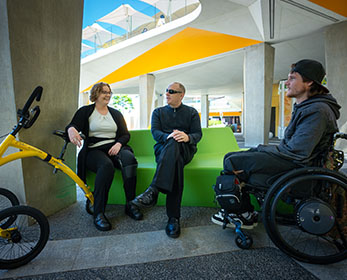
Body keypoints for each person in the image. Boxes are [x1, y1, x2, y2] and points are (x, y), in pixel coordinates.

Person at [212, 59, 341, 229]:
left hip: (298, 168)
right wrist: (259, 149)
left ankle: (242, 214)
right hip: (297, 164)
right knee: (235, 156)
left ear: (309, 83)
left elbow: (297, 151)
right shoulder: (309, 107)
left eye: (292, 78)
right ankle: (243, 211)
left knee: (232, 161)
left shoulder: (317, 110)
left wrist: (261, 149)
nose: (286, 83)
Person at [66, 82, 143, 231]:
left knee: (129, 161)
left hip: (114, 147)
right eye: (104, 92)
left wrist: (119, 144)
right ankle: (99, 212)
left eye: (109, 92)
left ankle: (130, 204)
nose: (108, 95)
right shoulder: (86, 111)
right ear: (95, 94)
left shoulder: (115, 113)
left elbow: (125, 134)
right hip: (93, 150)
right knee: (106, 166)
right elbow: (73, 125)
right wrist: (71, 130)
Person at [131, 82, 202, 238]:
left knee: (176, 142)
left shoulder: (191, 112)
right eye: (166, 91)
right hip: (163, 151)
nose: (167, 94)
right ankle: (173, 218)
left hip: (186, 151)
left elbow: (198, 134)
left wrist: (187, 137)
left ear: (181, 95)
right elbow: (155, 133)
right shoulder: (158, 112)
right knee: (174, 152)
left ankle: (154, 189)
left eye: (171, 91)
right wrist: (168, 136)